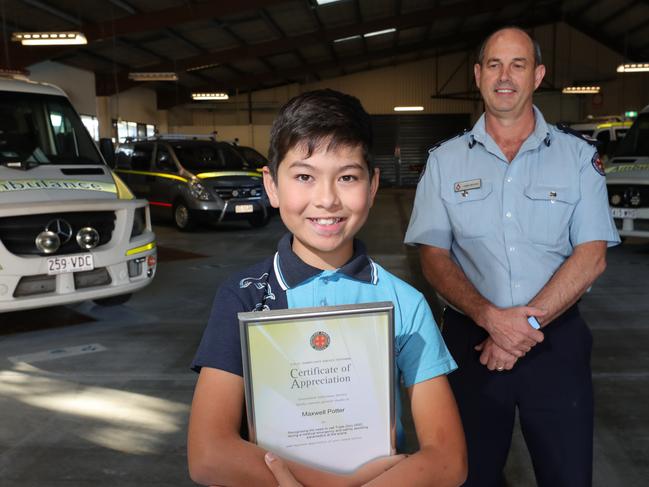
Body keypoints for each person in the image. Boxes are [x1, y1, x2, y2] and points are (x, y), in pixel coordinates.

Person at [188, 89, 467, 486]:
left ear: (372, 186)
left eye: (348, 177)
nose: (327, 199)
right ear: (272, 185)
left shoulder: (405, 305)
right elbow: (208, 454)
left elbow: (449, 459)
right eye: (304, 176)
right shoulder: (244, 297)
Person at [404, 27, 620, 487]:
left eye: (518, 64)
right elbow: (433, 257)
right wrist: (489, 317)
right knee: (470, 475)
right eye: (495, 65)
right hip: (470, 346)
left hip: (555, 345)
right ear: (479, 75)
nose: (506, 76)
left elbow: (592, 255)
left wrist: (520, 328)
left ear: (538, 75)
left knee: (567, 475)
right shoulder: (444, 162)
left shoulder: (578, 158)